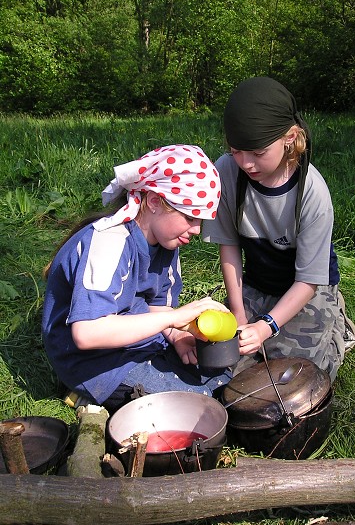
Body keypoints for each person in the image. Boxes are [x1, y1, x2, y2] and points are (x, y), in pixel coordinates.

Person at [42, 144, 232, 414]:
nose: (196, 230)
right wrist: (172, 319)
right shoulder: (110, 241)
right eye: (190, 217)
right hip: (93, 360)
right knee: (202, 406)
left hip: (138, 342)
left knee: (221, 382)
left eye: (201, 220)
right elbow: (86, 334)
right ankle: (86, 393)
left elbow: (158, 306)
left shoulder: (167, 244)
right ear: (154, 201)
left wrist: (176, 335)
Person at [202, 77, 355, 382]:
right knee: (222, 363)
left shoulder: (313, 192)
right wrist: (239, 316)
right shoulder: (227, 171)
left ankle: (337, 328)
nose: (245, 163)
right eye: (236, 150)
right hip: (258, 282)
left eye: (258, 153)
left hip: (307, 289)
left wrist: (266, 326)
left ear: (290, 138)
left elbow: (309, 280)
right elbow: (229, 247)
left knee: (296, 375)